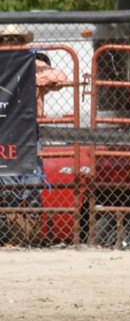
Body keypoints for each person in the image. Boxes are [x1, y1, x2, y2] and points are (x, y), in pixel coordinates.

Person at [0, 28, 68, 246]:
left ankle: (31, 239)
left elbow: (60, 78)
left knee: (32, 182)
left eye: (16, 40)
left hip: (28, 133)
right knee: (8, 184)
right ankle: (14, 237)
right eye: (7, 40)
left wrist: (29, 78)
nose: (11, 43)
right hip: (3, 132)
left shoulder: (32, 63)